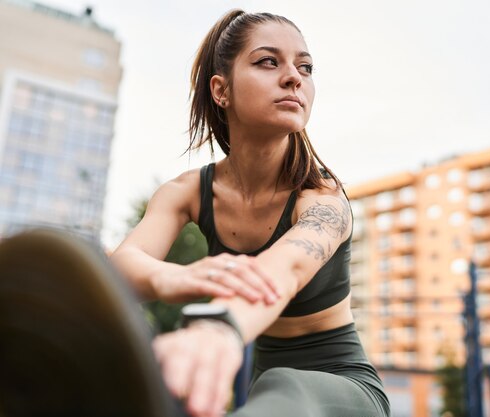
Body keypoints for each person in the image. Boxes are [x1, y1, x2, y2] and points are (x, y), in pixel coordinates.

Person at [110, 9, 390, 417]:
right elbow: (122, 265)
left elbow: (286, 269)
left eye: (305, 66)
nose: (295, 76)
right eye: (267, 61)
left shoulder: (324, 199)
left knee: (282, 382)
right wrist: (177, 276)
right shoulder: (186, 192)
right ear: (221, 91)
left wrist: (217, 328)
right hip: (268, 397)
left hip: (345, 389)